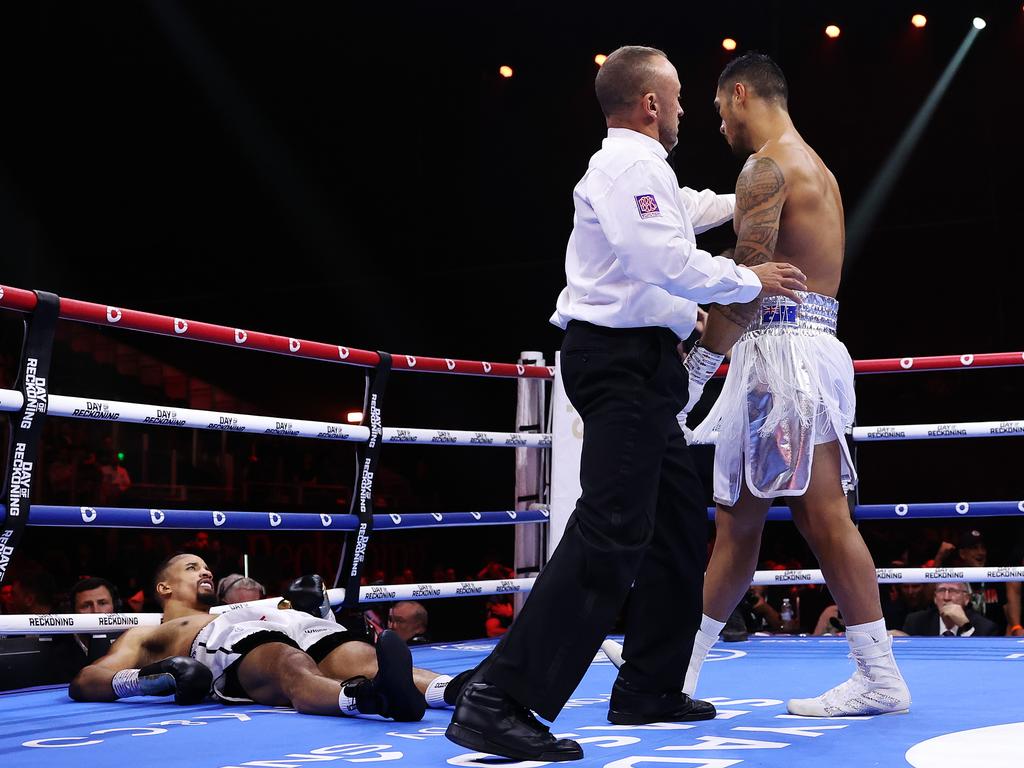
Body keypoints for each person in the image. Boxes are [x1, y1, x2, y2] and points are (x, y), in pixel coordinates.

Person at [446, 45, 806, 762]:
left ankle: (649, 685)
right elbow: (659, 261)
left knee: (674, 524)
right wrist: (749, 280)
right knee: (611, 531)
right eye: (674, 99)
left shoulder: (649, 174)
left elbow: (686, 214)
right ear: (649, 103)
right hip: (620, 362)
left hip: (646, 367)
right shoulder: (626, 165)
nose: (681, 111)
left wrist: (769, 186)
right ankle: (500, 699)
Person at [677, 52, 910, 717]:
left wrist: (693, 373)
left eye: (721, 110)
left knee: (820, 516)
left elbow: (746, 292)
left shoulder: (765, 168)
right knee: (740, 522)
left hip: (781, 356)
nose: (720, 125)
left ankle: (879, 676)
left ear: (741, 94)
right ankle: (675, 664)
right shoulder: (815, 166)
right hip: (803, 350)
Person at [70, 553, 460, 719]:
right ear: (164, 588)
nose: (205, 572)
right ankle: (367, 699)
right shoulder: (148, 630)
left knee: (359, 654)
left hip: (275, 622)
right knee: (287, 662)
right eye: (192, 568)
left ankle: (457, 690)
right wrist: (147, 679)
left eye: (206, 567)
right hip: (226, 640)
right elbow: (85, 681)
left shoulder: (241, 606)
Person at [902, 582, 1000, 637]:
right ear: (935, 598)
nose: (946, 597)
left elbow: (981, 657)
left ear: (966, 599)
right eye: (941, 590)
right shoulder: (915, 622)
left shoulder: (985, 628)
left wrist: (966, 627)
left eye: (953, 591)